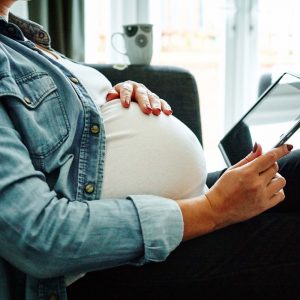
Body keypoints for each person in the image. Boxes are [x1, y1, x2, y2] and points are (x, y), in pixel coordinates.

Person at [0, 1, 300, 299]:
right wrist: (214, 209)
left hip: (186, 201)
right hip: (101, 266)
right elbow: (39, 237)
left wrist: (111, 96)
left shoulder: (24, 39)